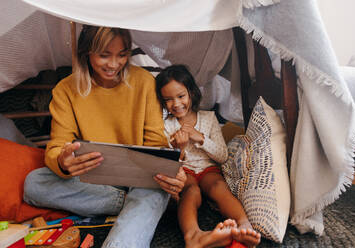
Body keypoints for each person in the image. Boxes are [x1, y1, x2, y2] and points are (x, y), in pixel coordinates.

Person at [23, 25, 186, 248]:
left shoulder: (145, 82)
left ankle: (129, 224)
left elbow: (156, 144)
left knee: (155, 189)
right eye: (104, 55)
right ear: (86, 53)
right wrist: (63, 161)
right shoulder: (66, 90)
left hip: (139, 182)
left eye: (122, 55)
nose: (114, 64)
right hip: (94, 181)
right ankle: (130, 204)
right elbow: (56, 146)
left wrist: (168, 172)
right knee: (34, 183)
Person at [155, 65, 261, 248]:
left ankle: (244, 224)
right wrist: (179, 148)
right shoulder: (166, 126)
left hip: (208, 169)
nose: (176, 104)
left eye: (181, 96)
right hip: (184, 171)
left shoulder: (208, 118)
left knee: (218, 185)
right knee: (191, 191)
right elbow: (169, 165)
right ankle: (193, 236)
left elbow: (222, 156)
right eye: (168, 100)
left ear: (191, 93)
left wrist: (201, 138)